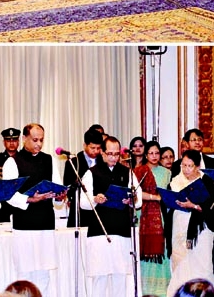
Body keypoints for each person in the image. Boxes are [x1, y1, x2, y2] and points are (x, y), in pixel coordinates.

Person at [2, 123, 66, 296]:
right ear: (24, 139)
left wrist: (60, 196)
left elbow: (57, 187)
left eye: (42, 140)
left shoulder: (49, 160)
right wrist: (29, 199)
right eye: (35, 139)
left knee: (44, 272)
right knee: (25, 272)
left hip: (46, 221)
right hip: (24, 224)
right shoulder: (12, 162)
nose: (39, 144)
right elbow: (8, 194)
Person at [80, 136, 143, 297]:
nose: (113, 158)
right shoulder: (91, 173)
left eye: (116, 154)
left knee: (120, 277)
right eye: (110, 153)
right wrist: (95, 199)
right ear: (102, 152)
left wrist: (131, 199)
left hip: (121, 231)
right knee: (100, 278)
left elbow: (138, 200)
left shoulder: (127, 172)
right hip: (99, 232)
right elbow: (83, 203)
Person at [166, 150, 214, 297]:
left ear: (197, 166)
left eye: (190, 166)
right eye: (183, 165)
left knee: (201, 265)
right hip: (178, 227)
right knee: (180, 264)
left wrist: (194, 206)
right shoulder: (175, 181)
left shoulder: (206, 182)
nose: (186, 169)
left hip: (200, 231)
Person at [135, 140, 172, 296]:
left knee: (161, 250)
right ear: (146, 154)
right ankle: (145, 289)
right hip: (142, 217)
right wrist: (154, 197)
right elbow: (135, 193)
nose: (154, 156)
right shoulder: (138, 171)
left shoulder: (167, 172)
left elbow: (166, 194)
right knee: (143, 251)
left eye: (157, 153)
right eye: (151, 153)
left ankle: (161, 290)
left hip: (160, 218)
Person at [62, 126, 104, 228]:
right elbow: (67, 188)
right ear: (84, 145)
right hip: (79, 211)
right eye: (92, 148)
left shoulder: (104, 161)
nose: (96, 151)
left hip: (100, 210)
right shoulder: (73, 162)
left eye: (98, 148)